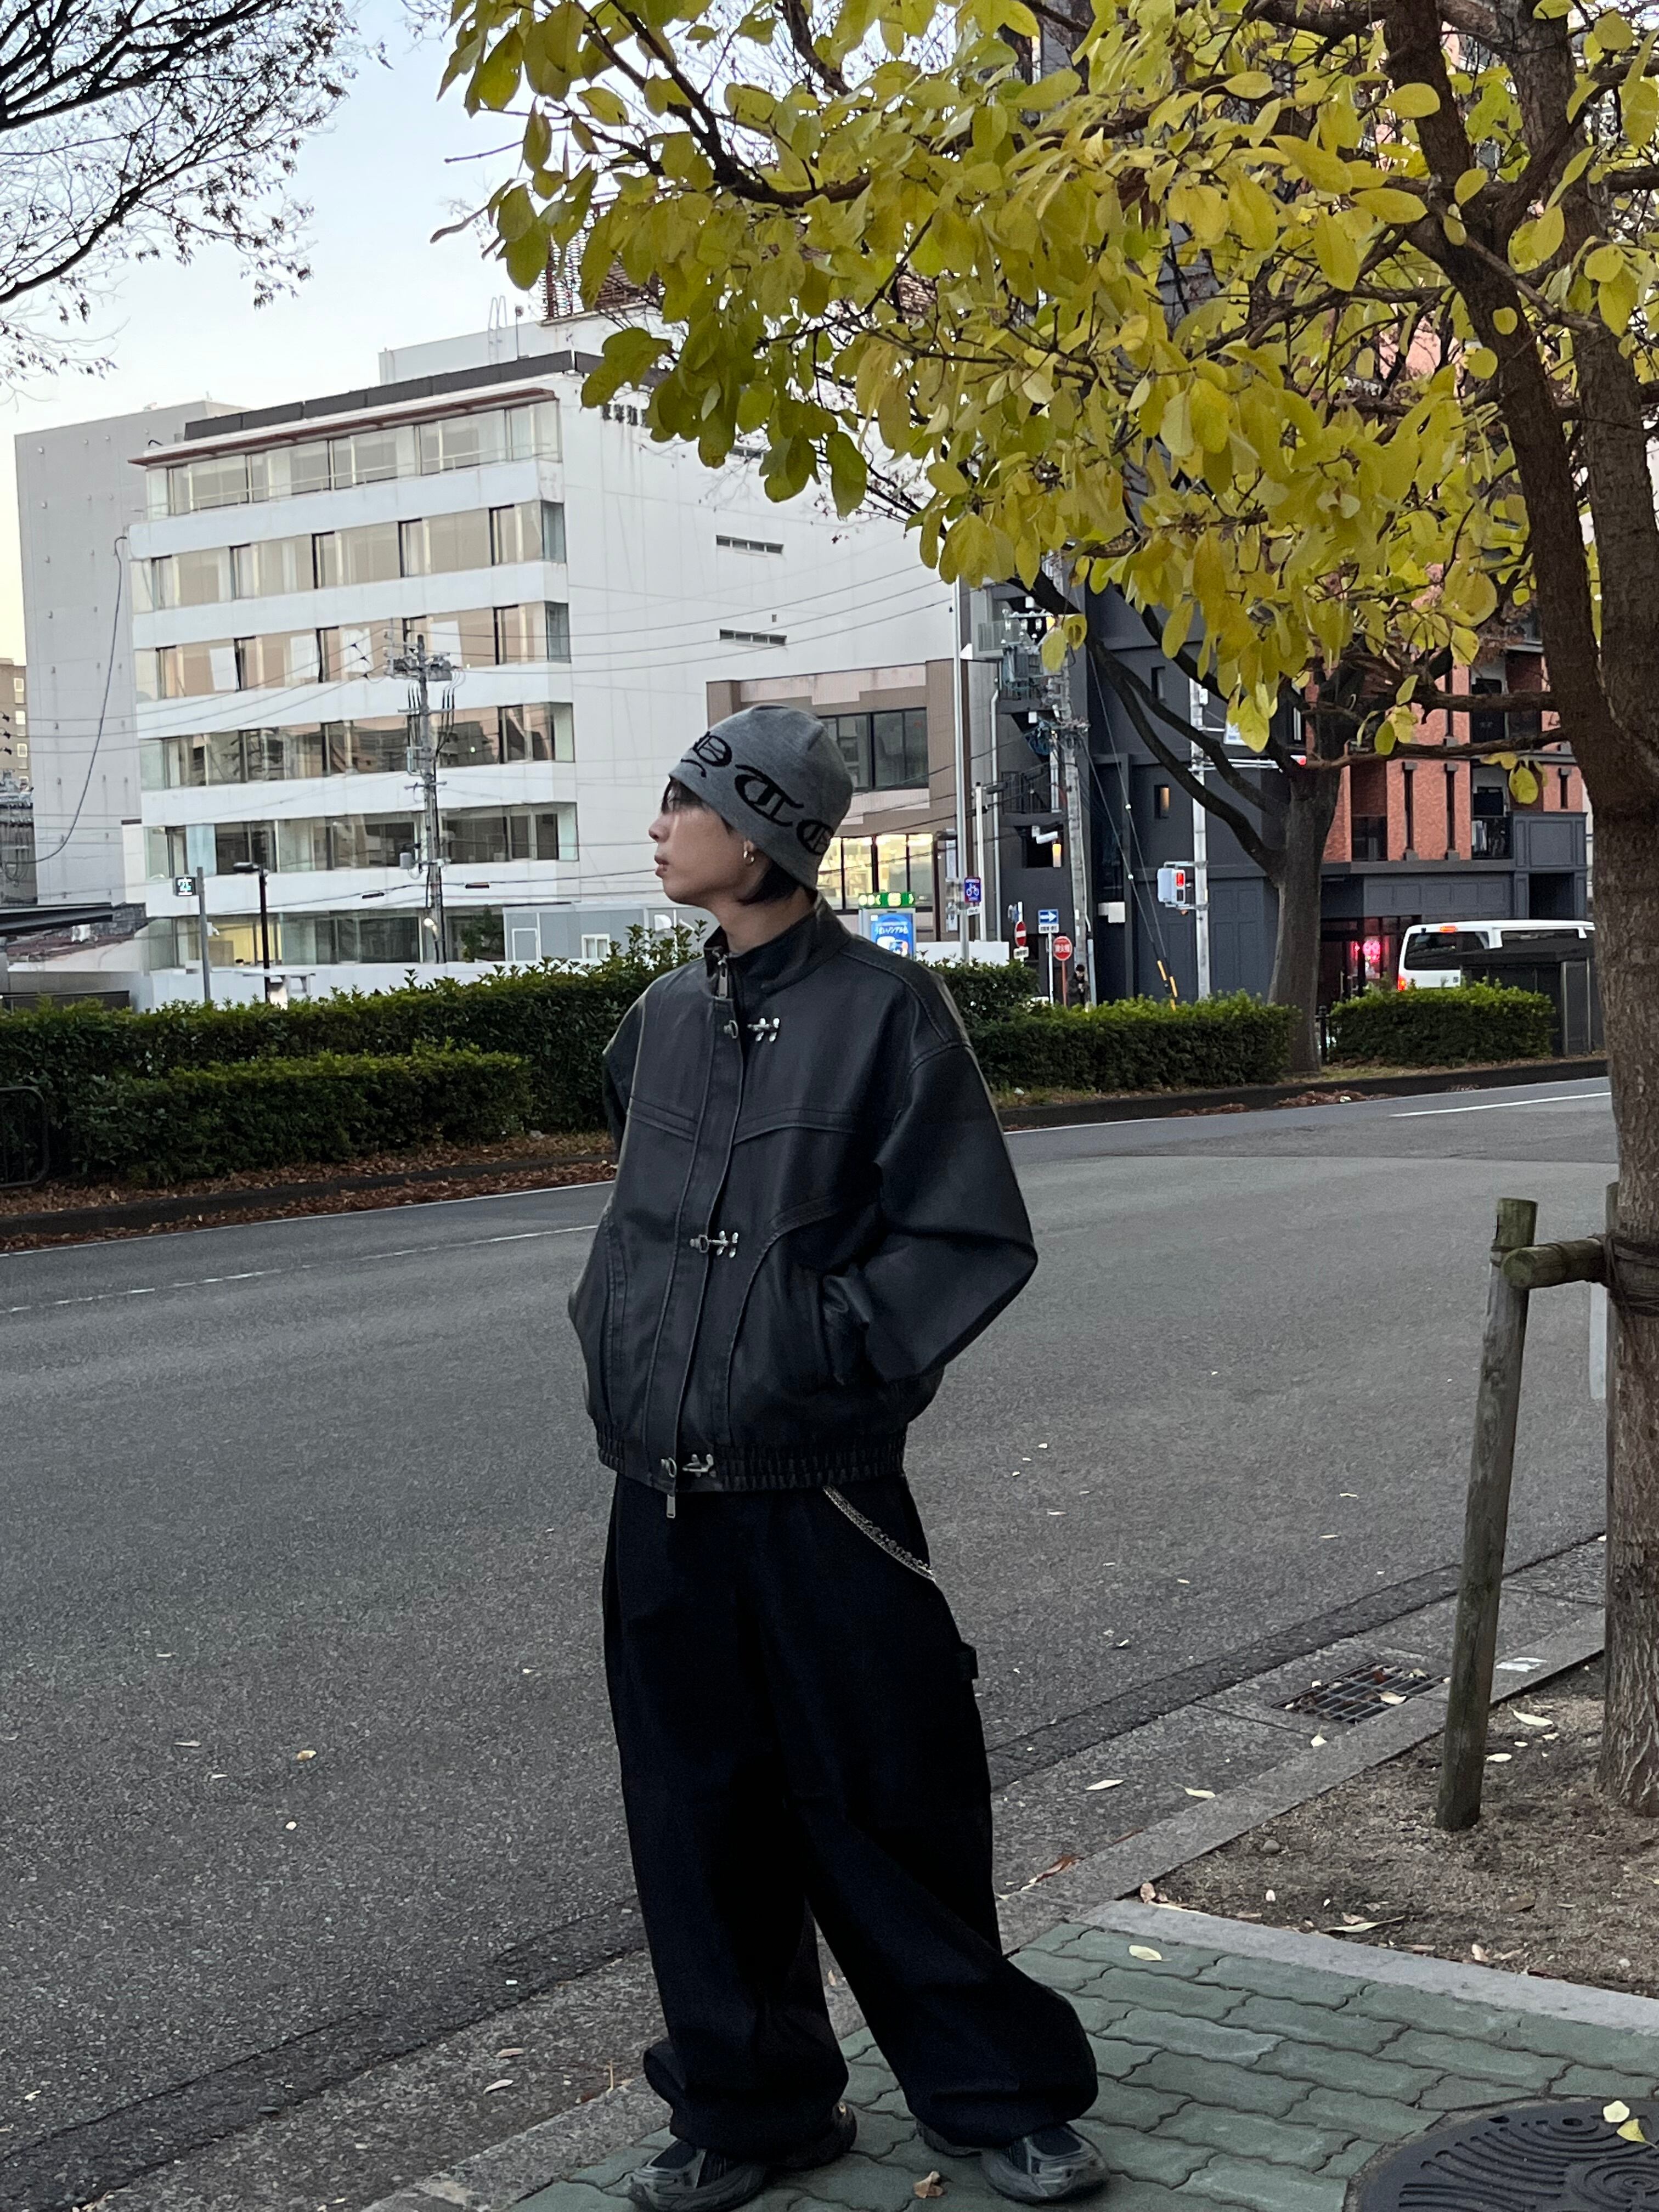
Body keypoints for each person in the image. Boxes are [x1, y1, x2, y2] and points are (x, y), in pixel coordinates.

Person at [569, 705, 1104, 2212]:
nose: (660, 826)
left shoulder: (888, 1012)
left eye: (684, 802)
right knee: (695, 1818)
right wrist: (613, 1327)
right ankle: (752, 2109)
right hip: (660, 1492)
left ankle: (992, 2095)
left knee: (889, 1800)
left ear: (761, 837)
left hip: (822, 1490)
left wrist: (821, 1347)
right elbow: (640, 1217)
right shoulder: (660, 1020)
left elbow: (968, 1233)